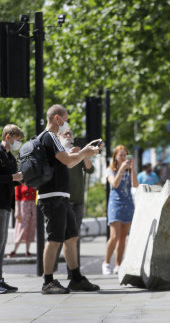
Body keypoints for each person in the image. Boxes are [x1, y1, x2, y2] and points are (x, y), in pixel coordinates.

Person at [37, 104, 101, 294]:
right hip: (53, 195)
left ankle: (75, 278)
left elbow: (69, 162)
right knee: (55, 239)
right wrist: (85, 153)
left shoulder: (50, 139)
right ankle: (47, 282)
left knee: (71, 237)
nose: (67, 123)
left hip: (61, 196)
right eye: (66, 118)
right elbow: (68, 161)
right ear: (57, 119)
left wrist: (83, 153)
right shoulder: (50, 137)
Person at [58, 128, 95, 278]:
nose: (69, 136)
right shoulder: (60, 153)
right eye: (65, 134)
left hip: (77, 200)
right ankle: (49, 272)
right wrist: (71, 154)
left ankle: (73, 272)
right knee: (59, 238)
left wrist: (83, 154)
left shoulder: (78, 154)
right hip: (63, 199)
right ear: (59, 137)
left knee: (75, 237)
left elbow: (90, 170)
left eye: (70, 134)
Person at [103, 145, 138, 275]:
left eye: (125, 155)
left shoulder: (129, 170)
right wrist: (122, 169)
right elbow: (115, 184)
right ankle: (106, 263)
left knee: (123, 236)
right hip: (115, 205)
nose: (123, 158)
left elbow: (135, 185)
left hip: (128, 204)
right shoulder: (110, 170)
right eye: (121, 155)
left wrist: (132, 169)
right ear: (115, 157)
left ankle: (118, 264)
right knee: (114, 236)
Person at [0, 124, 24, 293]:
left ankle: (0, 278)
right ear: (8, 137)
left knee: (2, 244)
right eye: (17, 140)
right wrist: (12, 177)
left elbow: (14, 180)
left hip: (7, 204)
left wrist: (21, 178)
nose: (18, 144)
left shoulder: (10, 157)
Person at [8, 183, 37, 258]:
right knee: (21, 228)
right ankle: (14, 250)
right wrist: (17, 210)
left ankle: (27, 251)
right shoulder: (20, 182)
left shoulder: (34, 181)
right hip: (23, 206)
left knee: (31, 228)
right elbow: (17, 197)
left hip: (33, 206)